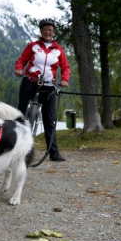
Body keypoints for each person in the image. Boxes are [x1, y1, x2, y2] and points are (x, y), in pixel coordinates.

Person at [14, 18, 71, 162]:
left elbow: (65, 67)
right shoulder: (32, 46)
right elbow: (21, 60)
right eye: (45, 29)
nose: (48, 32)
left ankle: (53, 153)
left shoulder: (58, 50)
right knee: (20, 115)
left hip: (48, 86)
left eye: (50, 30)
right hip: (30, 82)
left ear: (53, 32)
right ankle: (16, 149)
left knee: (49, 119)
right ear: (41, 31)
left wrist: (65, 79)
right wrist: (19, 69)